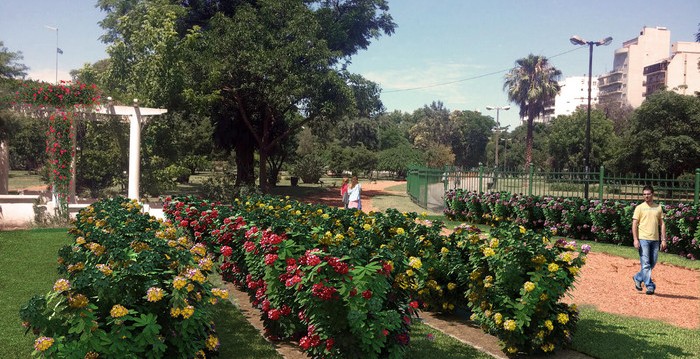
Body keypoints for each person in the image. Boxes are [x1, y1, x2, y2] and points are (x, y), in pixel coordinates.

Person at [632, 185, 666, 295]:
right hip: (643, 239)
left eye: (648, 194)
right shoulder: (639, 208)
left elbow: (662, 224)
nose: (646, 196)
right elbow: (634, 224)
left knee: (652, 263)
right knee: (646, 264)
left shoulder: (658, 207)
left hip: (655, 240)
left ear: (653, 194)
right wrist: (635, 239)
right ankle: (650, 286)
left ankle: (638, 277)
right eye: (644, 194)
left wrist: (663, 239)